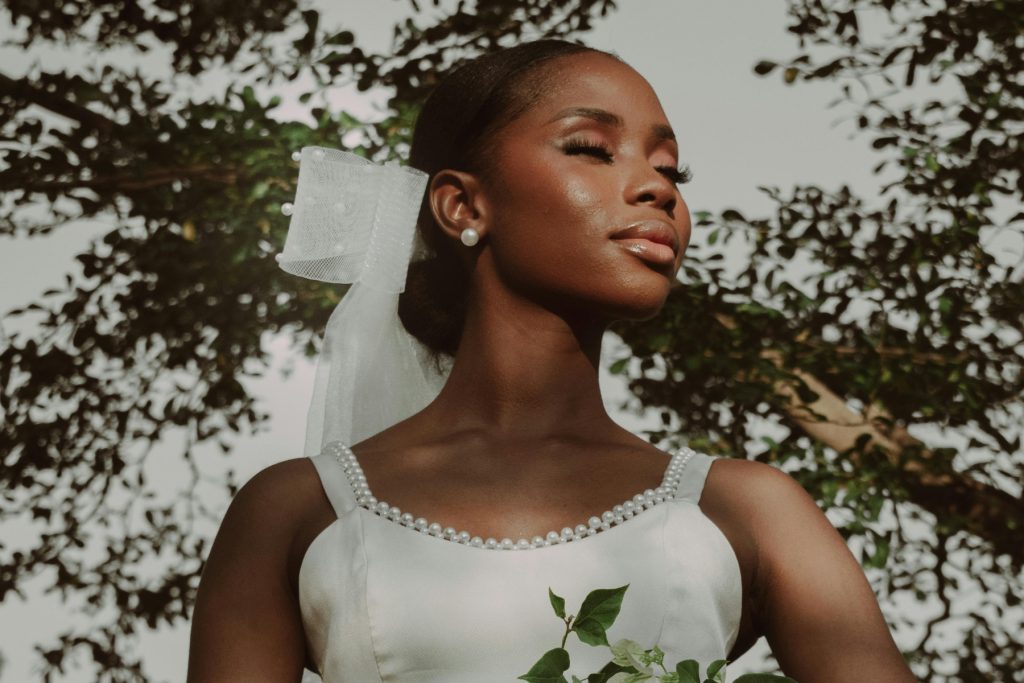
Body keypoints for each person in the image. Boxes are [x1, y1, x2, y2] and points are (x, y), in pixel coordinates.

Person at [186, 40, 917, 682]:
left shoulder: (749, 510)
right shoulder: (292, 511)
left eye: (671, 168)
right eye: (591, 149)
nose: (658, 188)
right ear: (462, 206)